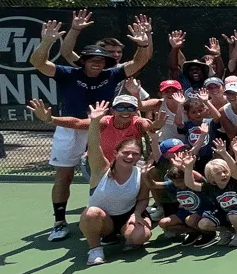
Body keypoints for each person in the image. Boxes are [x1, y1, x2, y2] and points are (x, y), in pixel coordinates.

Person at [29, 16, 153, 243]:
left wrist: (143, 44)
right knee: (64, 177)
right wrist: (46, 42)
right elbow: (38, 62)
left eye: (102, 60)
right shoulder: (68, 73)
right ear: (84, 61)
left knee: (113, 172)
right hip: (71, 128)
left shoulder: (112, 74)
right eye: (92, 60)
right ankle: (59, 222)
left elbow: (140, 61)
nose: (97, 64)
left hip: (103, 127)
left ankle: (118, 216)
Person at [79, 101, 152, 266]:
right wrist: (95, 122)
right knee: (90, 214)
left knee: (141, 236)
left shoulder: (140, 174)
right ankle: (95, 250)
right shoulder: (100, 169)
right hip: (104, 220)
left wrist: (137, 213)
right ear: (115, 153)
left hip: (127, 216)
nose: (130, 157)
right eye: (126, 153)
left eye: (135, 154)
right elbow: (94, 144)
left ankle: (126, 236)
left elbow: (142, 199)